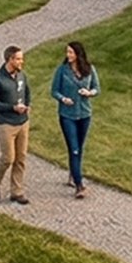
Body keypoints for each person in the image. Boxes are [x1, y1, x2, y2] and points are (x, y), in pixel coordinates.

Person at [51, 39, 99, 198]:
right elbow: (54, 91)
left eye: (71, 52)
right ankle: (79, 185)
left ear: (79, 54)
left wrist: (89, 93)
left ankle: (73, 172)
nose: (68, 55)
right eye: (67, 52)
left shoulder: (89, 69)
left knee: (80, 147)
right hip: (67, 115)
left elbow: (96, 88)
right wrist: (62, 98)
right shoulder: (62, 70)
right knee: (74, 148)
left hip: (84, 114)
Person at [0, 44, 31, 205]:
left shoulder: (21, 75)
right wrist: (11, 108)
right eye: (18, 59)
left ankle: (17, 192)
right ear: (9, 59)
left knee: (21, 158)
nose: (21, 61)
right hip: (6, 124)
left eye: (21, 58)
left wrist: (27, 105)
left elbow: (27, 91)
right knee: (8, 158)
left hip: (22, 122)